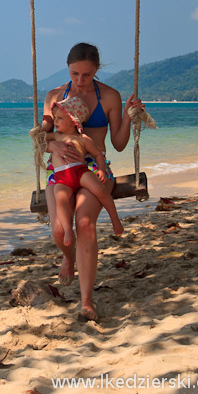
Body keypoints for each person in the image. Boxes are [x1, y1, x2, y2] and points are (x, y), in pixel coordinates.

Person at [41, 42, 145, 322]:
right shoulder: (54, 97)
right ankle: (69, 257)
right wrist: (54, 148)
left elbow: (119, 144)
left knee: (84, 223)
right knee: (59, 232)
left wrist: (128, 117)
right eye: (75, 74)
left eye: (87, 75)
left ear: (97, 70)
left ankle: (86, 301)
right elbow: (41, 139)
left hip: (94, 168)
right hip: (61, 171)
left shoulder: (109, 96)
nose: (80, 81)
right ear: (68, 68)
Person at [47, 96, 124, 247]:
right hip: (61, 177)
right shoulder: (56, 136)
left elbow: (97, 154)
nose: (55, 121)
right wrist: (43, 125)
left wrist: (101, 170)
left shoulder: (83, 139)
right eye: (54, 118)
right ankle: (68, 230)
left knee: (100, 190)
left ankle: (115, 219)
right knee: (60, 200)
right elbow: (38, 138)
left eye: (59, 118)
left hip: (81, 172)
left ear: (73, 121)